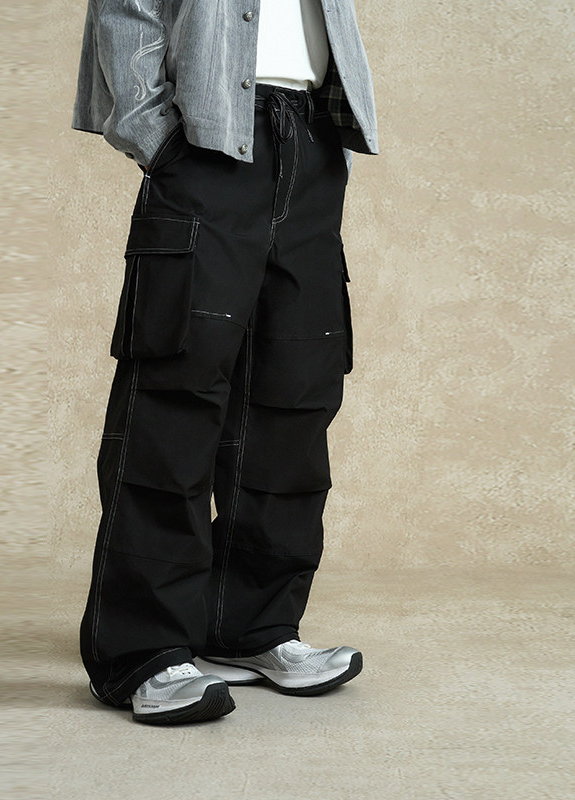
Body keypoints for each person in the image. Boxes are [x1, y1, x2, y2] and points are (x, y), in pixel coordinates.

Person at [70, 0, 378, 725]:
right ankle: (141, 652)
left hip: (312, 137)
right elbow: (127, 9)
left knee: (293, 396)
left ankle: (253, 626)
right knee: (174, 397)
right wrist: (156, 134)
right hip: (206, 139)